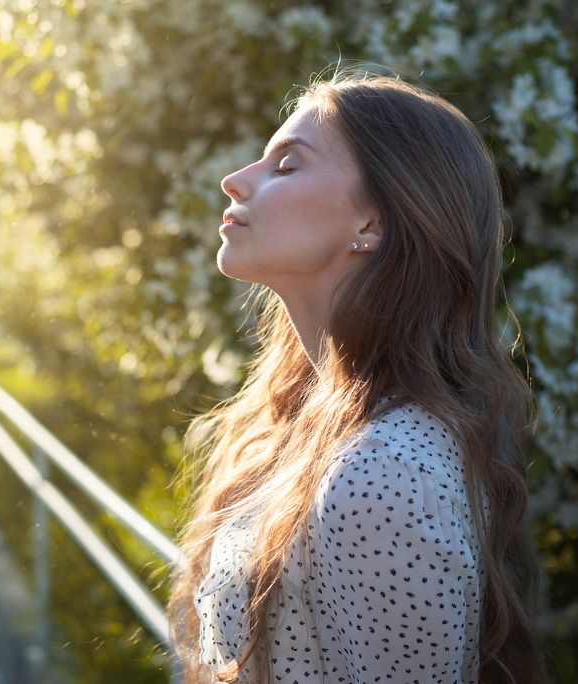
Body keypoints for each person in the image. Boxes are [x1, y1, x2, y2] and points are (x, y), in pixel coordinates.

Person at [166, 63, 548, 684]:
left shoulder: (386, 471)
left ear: (372, 225)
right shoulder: (303, 415)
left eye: (287, 166)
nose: (234, 181)